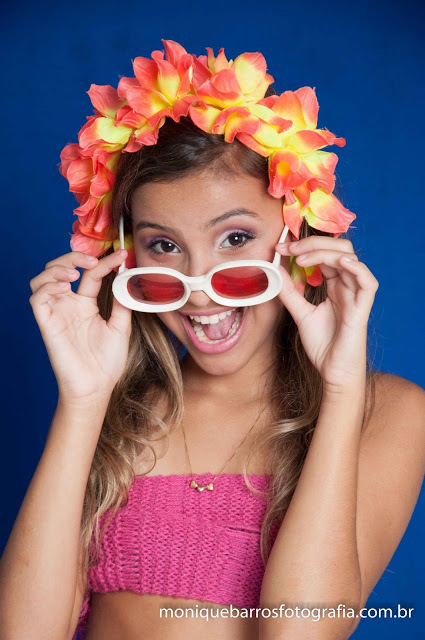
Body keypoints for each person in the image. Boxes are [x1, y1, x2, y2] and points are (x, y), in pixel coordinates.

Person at [1, 39, 424, 640]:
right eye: (164, 246)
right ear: (127, 256)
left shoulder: (388, 411)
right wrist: (83, 403)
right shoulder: (115, 412)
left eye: (235, 239)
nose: (199, 291)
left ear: (297, 242)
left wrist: (340, 392)